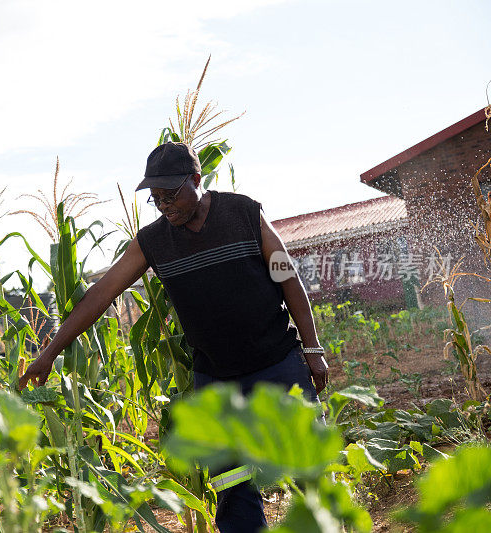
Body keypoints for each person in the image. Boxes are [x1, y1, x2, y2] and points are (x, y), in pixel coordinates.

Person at [19, 141, 328, 532]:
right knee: (231, 484)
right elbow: (99, 295)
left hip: (277, 362)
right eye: (156, 199)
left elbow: (287, 276)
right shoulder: (153, 242)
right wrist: (50, 352)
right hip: (215, 377)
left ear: (196, 180)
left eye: (170, 196)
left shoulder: (245, 213)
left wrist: (312, 348)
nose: (164, 206)